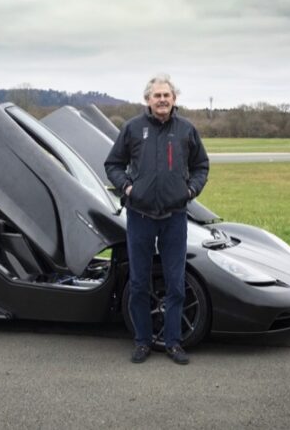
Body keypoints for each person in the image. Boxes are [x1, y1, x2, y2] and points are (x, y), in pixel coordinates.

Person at [104, 74, 210, 365]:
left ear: (174, 99)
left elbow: (201, 165)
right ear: (147, 100)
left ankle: (174, 342)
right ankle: (142, 341)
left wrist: (190, 190)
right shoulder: (133, 129)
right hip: (140, 217)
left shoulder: (187, 130)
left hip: (174, 217)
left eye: (167, 95)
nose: (162, 100)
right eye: (157, 95)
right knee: (138, 283)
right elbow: (112, 164)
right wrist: (127, 187)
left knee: (176, 283)